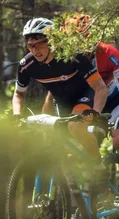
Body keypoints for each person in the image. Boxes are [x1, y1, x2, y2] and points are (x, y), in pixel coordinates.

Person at [42, 13, 119, 164]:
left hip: (114, 101)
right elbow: (53, 93)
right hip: (89, 103)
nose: (77, 48)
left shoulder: (109, 53)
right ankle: (88, 181)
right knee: (79, 144)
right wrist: (44, 121)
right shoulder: (67, 57)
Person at [12, 17, 109, 163]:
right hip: (62, 102)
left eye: (38, 45)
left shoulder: (73, 56)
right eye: (30, 46)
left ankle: (98, 168)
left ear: (51, 41)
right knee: (55, 143)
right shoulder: (27, 65)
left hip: (84, 97)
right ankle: (65, 184)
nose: (34, 50)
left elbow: (100, 88)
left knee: (75, 128)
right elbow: (19, 94)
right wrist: (16, 114)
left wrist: (95, 112)